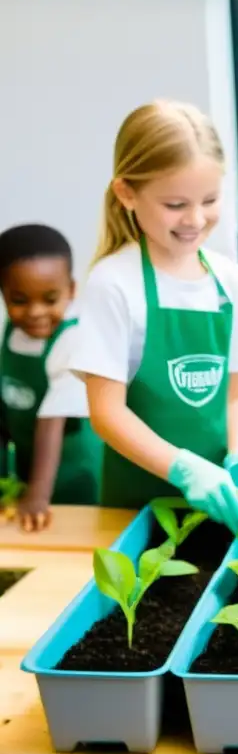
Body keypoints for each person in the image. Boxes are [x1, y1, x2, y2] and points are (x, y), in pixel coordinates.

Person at [69, 101, 238, 530]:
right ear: (127, 193)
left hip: (217, 506)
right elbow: (106, 413)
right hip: (134, 509)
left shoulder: (234, 283)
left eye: (210, 200)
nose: (195, 219)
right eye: (176, 204)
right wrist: (185, 469)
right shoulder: (115, 283)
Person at [0, 224, 102, 530]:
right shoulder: (9, 335)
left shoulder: (70, 341)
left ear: (70, 291)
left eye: (49, 299)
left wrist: (37, 496)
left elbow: (51, 422)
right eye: (19, 300)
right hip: (31, 475)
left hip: (76, 480)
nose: (35, 312)